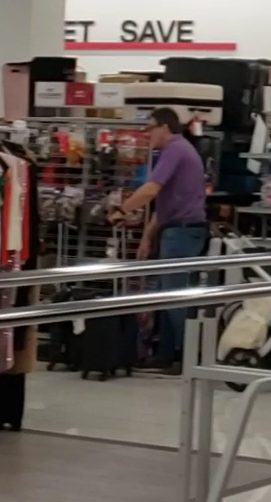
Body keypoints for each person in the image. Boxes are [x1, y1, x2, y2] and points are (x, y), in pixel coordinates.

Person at [113, 107, 209, 370]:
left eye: (150, 128)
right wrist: (147, 236)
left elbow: (151, 190)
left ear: (165, 127)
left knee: (174, 297)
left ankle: (189, 359)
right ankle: (167, 354)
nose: (148, 134)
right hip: (177, 229)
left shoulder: (174, 150)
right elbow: (165, 202)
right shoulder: (180, 149)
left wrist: (122, 210)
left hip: (182, 232)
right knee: (166, 295)